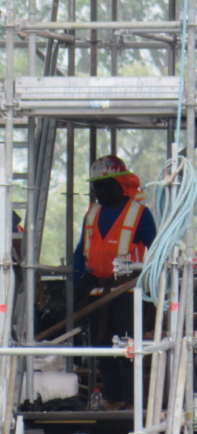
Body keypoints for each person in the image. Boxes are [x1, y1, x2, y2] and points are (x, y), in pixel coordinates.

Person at [73, 155, 156, 409]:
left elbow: (158, 250)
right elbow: (80, 250)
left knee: (127, 346)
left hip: (129, 290)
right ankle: (113, 397)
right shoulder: (93, 212)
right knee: (101, 345)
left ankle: (132, 401)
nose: (96, 191)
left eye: (102, 185)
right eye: (94, 185)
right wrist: (76, 280)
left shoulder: (139, 214)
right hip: (97, 289)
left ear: (119, 183)